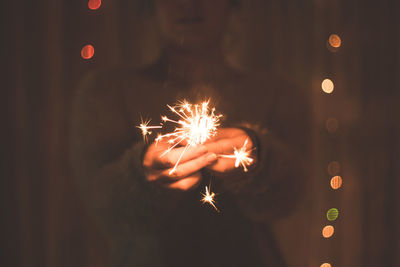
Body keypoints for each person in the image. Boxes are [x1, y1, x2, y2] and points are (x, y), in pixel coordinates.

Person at [69, 0, 311, 266]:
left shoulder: (277, 94)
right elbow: (102, 206)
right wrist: (141, 175)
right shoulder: (105, 93)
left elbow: (290, 196)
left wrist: (257, 156)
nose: (188, 4)